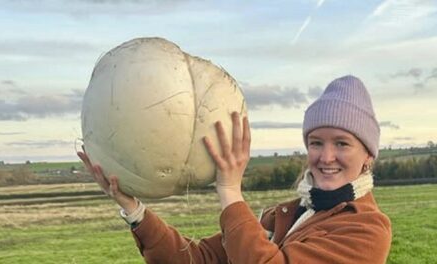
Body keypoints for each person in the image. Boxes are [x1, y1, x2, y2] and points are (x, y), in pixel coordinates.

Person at [77, 75, 392, 263]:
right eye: (315, 142)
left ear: (368, 156)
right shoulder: (285, 215)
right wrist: (133, 209)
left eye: (342, 143)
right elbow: (199, 259)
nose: (326, 157)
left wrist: (229, 192)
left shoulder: (366, 230)